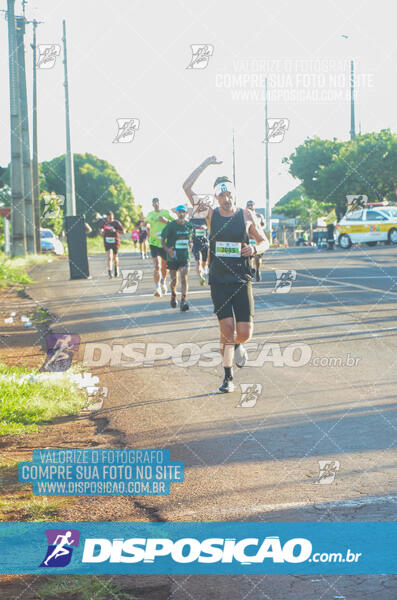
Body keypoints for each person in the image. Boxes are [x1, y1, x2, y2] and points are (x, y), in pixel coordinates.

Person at [183, 156, 269, 393]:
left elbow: (264, 241)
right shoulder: (210, 214)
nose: (225, 198)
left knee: (244, 333)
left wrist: (254, 248)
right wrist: (205, 164)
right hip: (219, 280)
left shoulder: (246, 216)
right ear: (216, 197)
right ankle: (228, 377)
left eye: (228, 194)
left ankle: (240, 346)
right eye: (221, 195)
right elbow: (186, 187)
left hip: (241, 279)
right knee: (227, 330)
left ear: (233, 195)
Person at [161, 205, 194, 311]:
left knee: (184, 277)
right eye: (179, 212)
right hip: (173, 257)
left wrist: (190, 243)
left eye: (183, 212)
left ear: (186, 214)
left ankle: (183, 301)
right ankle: (173, 295)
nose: (181, 214)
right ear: (176, 213)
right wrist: (168, 250)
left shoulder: (189, 226)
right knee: (174, 280)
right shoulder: (171, 226)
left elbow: (190, 238)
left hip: (184, 256)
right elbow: (162, 239)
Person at [146, 198, 173, 297]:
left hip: (164, 243)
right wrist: (146, 225)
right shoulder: (150, 214)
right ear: (152, 204)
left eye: (157, 202)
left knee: (164, 266)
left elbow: (175, 223)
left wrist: (166, 221)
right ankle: (157, 288)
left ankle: (163, 281)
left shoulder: (166, 212)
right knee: (157, 265)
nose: (156, 204)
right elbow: (146, 223)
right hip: (153, 243)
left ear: (160, 203)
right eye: (154, 202)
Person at [100, 211, 125, 279]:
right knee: (109, 257)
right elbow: (101, 229)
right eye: (109, 218)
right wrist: (101, 231)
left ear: (113, 217)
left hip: (115, 242)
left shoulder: (116, 223)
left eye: (111, 218)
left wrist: (115, 231)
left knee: (114, 257)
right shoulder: (104, 222)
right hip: (107, 242)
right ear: (107, 218)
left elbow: (123, 231)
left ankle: (116, 268)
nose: (110, 219)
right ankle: (110, 272)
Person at [246, 200, 266, 282]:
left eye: (252, 204)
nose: (250, 206)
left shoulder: (259, 215)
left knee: (258, 257)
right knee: (248, 256)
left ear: (254, 206)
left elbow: (264, 224)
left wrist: (260, 229)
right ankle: (250, 271)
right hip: (248, 238)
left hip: (257, 239)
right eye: (248, 205)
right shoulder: (244, 215)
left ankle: (258, 269)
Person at [188, 208, 209, 285]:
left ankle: (204, 268)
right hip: (196, 243)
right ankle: (201, 277)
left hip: (204, 243)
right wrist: (189, 242)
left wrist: (204, 227)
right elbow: (188, 231)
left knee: (204, 261)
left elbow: (208, 226)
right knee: (198, 262)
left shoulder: (205, 218)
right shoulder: (191, 220)